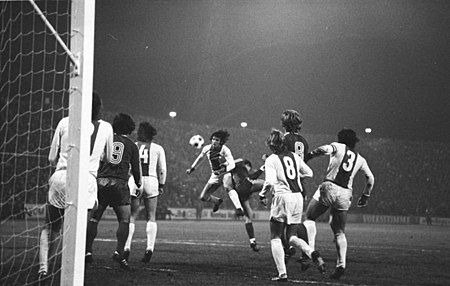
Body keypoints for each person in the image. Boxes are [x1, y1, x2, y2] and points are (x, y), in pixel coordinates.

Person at [38, 92, 113, 280]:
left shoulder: (65, 122)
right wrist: (98, 156)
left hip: (62, 176)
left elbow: (51, 158)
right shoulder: (106, 127)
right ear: (98, 107)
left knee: (51, 227)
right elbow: (110, 158)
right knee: (79, 230)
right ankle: (74, 272)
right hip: (87, 180)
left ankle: (43, 267)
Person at [303, 128, 375, 279]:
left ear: (340, 138)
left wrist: (309, 156)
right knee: (339, 231)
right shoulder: (361, 159)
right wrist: (365, 196)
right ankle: (341, 265)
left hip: (330, 186)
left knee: (309, 218)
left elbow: (325, 149)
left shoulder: (338, 146)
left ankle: (309, 253)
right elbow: (370, 178)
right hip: (345, 193)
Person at [259, 129, 325, 282]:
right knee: (292, 236)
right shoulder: (294, 156)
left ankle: (282, 274)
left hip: (282, 197)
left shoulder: (271, 160)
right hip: (297, 197)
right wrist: (296, 175)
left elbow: (269, 182)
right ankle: (312, 253)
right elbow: (309, 173)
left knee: (275, 236)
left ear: (271, 145)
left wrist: (262, 195)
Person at [85, 113, 141, 270]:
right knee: (124, 220)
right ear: (129, 128)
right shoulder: (131, 145)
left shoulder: (105, 139)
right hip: (119, 184)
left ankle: (87, 252)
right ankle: (119, 252)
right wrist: (138, 184)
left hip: (101, 182)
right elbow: (136, 169)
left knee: (94, 219)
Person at [124, 122, 166, 263]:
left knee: (132, 216)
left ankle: (126, 247)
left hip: (135, 180)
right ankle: (149, 248)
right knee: (151, 216)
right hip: (152, 181)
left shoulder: (133, 145)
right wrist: (161, 184)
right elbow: (162, 169)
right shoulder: (158, 148)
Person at [186, 129, 244, 215]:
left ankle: (239, 208)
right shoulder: (207, 148)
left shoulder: (225, 150)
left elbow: (232, 164)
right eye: (213, 139)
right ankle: (217, 201)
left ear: (221, 142)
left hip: (225, 173)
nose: (214, 141)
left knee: (228, 187)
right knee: (203, 197)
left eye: (217, 140)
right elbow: (200, 158)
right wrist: (192, 168)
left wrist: (223, 169)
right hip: (215, 175)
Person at [280, 109, 311, 265]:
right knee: (296, 221)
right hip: (300, 184)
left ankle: (287, 251)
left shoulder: (283, 140)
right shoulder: (303, 141)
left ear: (284, 124)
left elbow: (281, 161)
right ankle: (305, 253)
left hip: (286, 184)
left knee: (280, 222)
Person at [230, 158, 265, 251]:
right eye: (249, 168)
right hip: (244, 187)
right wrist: (262, 168)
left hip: (240, 195)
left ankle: (252, 241)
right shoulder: (242, 166)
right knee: (266, 184)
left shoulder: (235, 170)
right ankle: (263, 197)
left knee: (249, 217)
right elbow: (252, 177)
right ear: (247, 165)